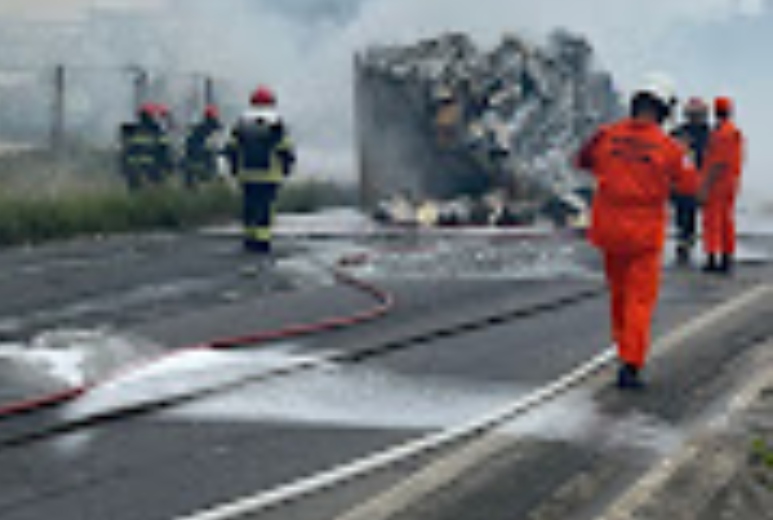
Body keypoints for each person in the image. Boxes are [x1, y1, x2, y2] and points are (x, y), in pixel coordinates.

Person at [576, 74, 698, 389]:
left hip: (609, 229)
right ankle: (631, 362)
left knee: (619, 295)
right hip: (643, 232)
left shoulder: (606, 135)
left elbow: (583, 160)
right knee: (639, 299)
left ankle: (623, 349)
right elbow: (689, 186)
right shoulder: (669, 148)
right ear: (663, 110)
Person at [225, 86, 296, 254]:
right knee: (265, 206)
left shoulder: (242, 123)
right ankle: (262, 240)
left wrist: (234, 168)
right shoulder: (276, 123)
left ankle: (249, 239)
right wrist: (287, 167)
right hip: (269, 174)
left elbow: (231, 148)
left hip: (247, 174)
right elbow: (284, 148)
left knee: (249, 205)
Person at [699, 97, 744, 275]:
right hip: (730, 181)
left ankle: (712, 256)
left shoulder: (721, 134)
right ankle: (726, 255)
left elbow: (717, 162)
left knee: (712, 220)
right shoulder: (733, 132)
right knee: (726, 220)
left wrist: (705, 185)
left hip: (718, 183)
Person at [671, 97, 711, 266]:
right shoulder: (680, 133)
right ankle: (685, 241)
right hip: (682, 179)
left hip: (699, 178)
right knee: (683, 213)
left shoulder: (708, 134)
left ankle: (691, 241)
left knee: (692, 213)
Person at [120, 103, 173, 190]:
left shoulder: (132, 132)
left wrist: (124, 169)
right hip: (152, 171)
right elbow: (163, 152)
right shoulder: (156, 132)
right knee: (154, 197)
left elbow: (125, 152)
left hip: (133, 171)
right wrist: (168, 167)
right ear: (151, 117)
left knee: (135, 196)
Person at [183, 105, 223, 188]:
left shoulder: (200, 128)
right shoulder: (213, 128)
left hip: (199, 157)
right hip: (206, 158)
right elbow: (214, 145)